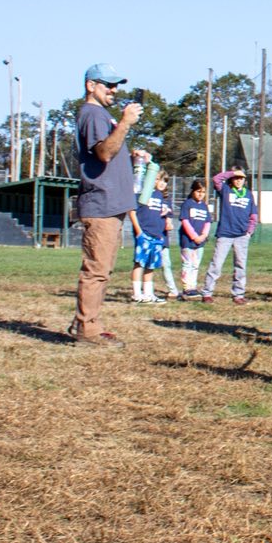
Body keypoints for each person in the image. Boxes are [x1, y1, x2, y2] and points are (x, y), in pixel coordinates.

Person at [71, 64, 142, 346]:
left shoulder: (100, 115)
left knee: (102, 270)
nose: (114, 90)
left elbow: (108, 150)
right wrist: (125, 123)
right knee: (97, 270)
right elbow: (103, 152)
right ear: (91, 85)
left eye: (116, 86)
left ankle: (86, 322)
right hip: (100, 204)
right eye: (108, 85)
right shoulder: (93, 114)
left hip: (110, 205)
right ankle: (87, 330)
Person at [202, 169, 255, 304]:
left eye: (241, 178)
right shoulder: (225, 190)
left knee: (240, 265)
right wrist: (232, 172)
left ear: (245, 180)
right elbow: (216, 179)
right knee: (216, 264)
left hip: (241, 235)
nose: (238, 180)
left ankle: (238, 294)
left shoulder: (248, 194)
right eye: (236, 178)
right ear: (232, 179)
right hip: (225, 234)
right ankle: (207, 292)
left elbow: (253, 214)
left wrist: (249, 231)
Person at [130, 166, 172, 304]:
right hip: (144, 234)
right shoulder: (143, 193)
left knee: (151, 265)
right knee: (139, 263)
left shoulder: (162, 197)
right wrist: (139, 231)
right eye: (159, 179)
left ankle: (148, 294)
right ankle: (137, 294)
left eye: (165, 181)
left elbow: (163, 215)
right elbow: (132, 212)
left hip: (157, 236)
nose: (161, 183)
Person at [177, 179, 211, 298]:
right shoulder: (187, 204)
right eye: (198, 191)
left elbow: (208, 222)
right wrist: (194, 236)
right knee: (188, 264)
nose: (201, 194)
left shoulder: (204, 206)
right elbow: (185, 221)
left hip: (200, 242)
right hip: (188, 241)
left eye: (203, 192)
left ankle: (193, 286)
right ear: (193, 191)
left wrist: (203, 236)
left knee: (196, 264)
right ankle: (187, 288)